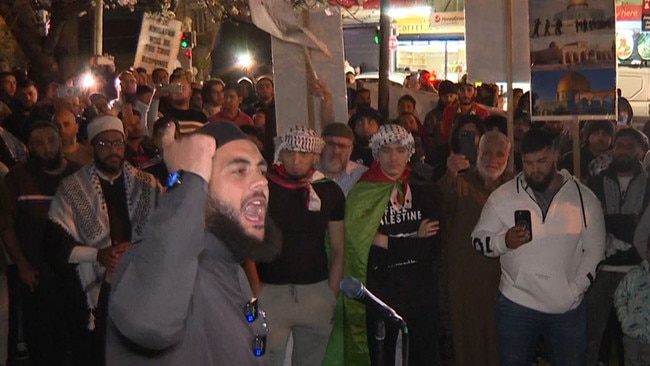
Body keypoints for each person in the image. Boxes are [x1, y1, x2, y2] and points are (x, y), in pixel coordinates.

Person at [106, 122, 281, 365]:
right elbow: (149, 324)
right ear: (200, 186)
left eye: (261, 171)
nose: (261, 183)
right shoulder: (145, 262)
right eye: (239, 171)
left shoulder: (231, 268)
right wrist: (186, 180)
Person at [471, 128, 606, 365]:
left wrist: (574, 290)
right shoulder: (503, 196)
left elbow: (595, 251)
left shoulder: (584, 199)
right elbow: (478, 238)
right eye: (528, 162)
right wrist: (503, 242)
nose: (534, 169)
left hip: (567, 307)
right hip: (516, 302)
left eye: (542, 161)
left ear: (555, 155)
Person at [48, 115, 161, 364]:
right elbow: (57, 245)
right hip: (95, 287)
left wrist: (137, 250)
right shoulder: (72, 189)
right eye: (104, 144)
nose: (113, 150)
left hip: (140, 281)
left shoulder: (148, 185)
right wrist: (98, 254)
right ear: (91, 146)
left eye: (117, 143)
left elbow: (165, 232)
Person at [343, 124, 445, 366]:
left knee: (424, 355)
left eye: (400, 150)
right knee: (385, 356)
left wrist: (384, 240)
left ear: (409, 152)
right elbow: (364, 250)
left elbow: (432, 249)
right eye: (386, 150)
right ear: (376, 154)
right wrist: (413, 240)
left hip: (421, 292)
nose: (393, 158)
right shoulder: (362, 194)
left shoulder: (425, 192)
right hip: (382, 293)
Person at [246, 126, 345, 366]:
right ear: (281, 153)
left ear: (315, 156)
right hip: (271, 292)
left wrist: (330, 292)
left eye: (303, 153)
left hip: (316, 293)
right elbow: (247, 243)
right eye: (290, 152)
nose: (296, 159)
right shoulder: (262, 187)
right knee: (265, 361)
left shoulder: (329, 191)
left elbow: (339, 246)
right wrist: (256, 290)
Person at [438, 131, 512, 366]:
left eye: (500, 154)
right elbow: (441, 206)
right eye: (487, 152)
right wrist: (449, 175)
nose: (493, 159)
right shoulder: (460, 183)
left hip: (505, 281)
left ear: (508, 157)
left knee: (504, 341)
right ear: (477, 153)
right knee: (468, 343)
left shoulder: (515, 188)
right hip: (466, 282)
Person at [585, 128, 650, 365]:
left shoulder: (649, 184)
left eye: (629, 146)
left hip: (636, 270)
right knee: (592, 336)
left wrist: (610, 219)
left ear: (641, 151)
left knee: (632, 339)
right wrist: (629, 220)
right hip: (601, 270)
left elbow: (641, 231)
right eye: (619, 145)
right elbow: (591, 223)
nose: (622, 150)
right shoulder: (597, 181)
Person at [613, 239, 650, 366]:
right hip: (632, 338)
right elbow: (619, 297)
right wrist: (625, 320)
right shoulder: (634, 276)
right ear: (647, 253)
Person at [316, 122, 367, 196]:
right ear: (321, 146)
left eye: (342, 146)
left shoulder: (362, 176)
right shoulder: (307, 173)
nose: (336, 151)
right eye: (330, 144)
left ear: (351, 149)